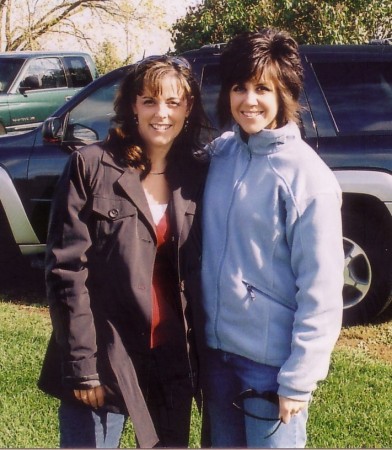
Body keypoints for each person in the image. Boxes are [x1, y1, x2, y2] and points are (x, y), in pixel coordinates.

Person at [38, 55, 210, 448]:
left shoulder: (199, 173)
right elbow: (66, 272)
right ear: (132, 105)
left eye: (173, 101)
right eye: (149, 101)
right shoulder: (91, 165)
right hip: (105, 355)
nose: (161, 113)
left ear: (188, 106)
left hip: (172, 358)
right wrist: (83, 367)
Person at [200, 28, 345, 448]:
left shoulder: (307, 177)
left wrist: (298, 380)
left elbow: (321, 288)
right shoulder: (222, 152)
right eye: (239, 87)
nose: (249, 100)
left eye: (263, 88)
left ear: (285, 93)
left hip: (270, 368)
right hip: (217, 358)